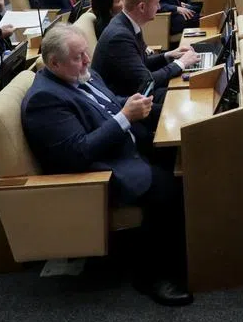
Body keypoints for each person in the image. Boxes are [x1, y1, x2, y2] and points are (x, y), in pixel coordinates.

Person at [20, 25, 192, 306]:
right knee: (169, 189)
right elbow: (78, 153)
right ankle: (151, 276)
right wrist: (125, 116)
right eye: (79, 56)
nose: (88, 60)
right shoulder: (45, 100)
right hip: (99, 170)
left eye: (86, 52)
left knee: (188, 154)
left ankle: (186, 249)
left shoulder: (81, 74)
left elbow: (110, 105)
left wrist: (146, 106)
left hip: (125, 144)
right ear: (54, 63)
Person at [92, 0, 197, 98]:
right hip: (127, 100)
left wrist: (169, 55)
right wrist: (181, 63)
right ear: (142, 7)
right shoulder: (119, 37)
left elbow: (142, 62)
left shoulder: (128, 22)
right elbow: (145, 81)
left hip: (136, 90)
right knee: (183, 95)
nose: (158, 7)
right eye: (156, 3)